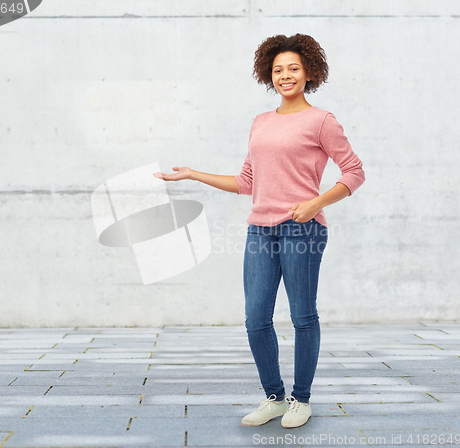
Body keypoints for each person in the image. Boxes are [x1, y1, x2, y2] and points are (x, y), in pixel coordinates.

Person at [153, 33, 365, 428]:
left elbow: (355, 172)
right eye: (278, 70)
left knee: (303, 316)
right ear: (269, 75)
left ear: (309, 73)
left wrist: (315, 203)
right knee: (255, 318)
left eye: (293, 69)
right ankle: (275, 397)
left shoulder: (322, 121)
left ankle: (301, 399)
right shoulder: (261, 122)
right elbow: (247, 181)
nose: (285, 76)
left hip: (303, 230)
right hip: (260, 232)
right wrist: (193, 174)